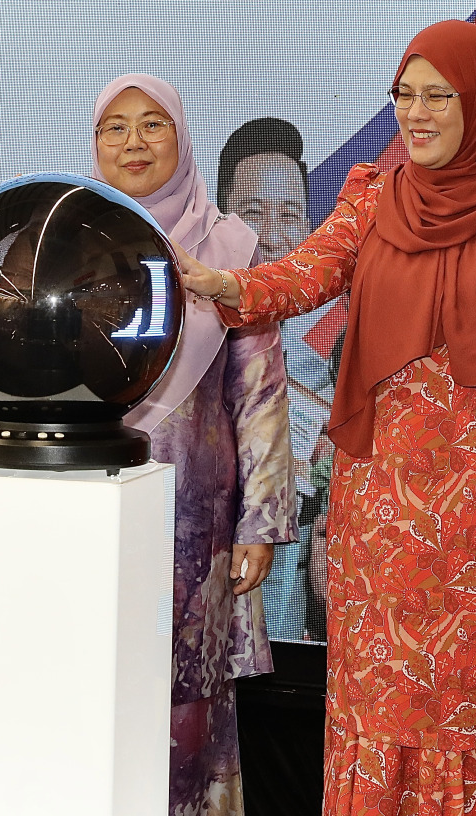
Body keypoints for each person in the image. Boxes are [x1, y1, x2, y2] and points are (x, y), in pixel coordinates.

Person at [178, 21, 476, 816]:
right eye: (403, 95)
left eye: (438, 96)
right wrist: (225, 285)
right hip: (379, 523)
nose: (414, 113)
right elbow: (303, 276)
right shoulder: (373, 197)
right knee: (378, 715)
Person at [92, 74, 294, 816]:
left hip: (193, 523)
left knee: (186, 713)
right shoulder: (66, 241)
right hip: (84, 514)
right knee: (89, 689)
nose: (134, 142)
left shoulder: (230, 249)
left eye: (153, 124)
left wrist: (259, 524)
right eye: (115, 126)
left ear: (181, 138)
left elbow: (260, 395)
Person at [217, 118, 338, 641]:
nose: (271, 231)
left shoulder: (330, 370)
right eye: (252, 212)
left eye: (288, 213)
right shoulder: (187, 346)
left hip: (293, 625)